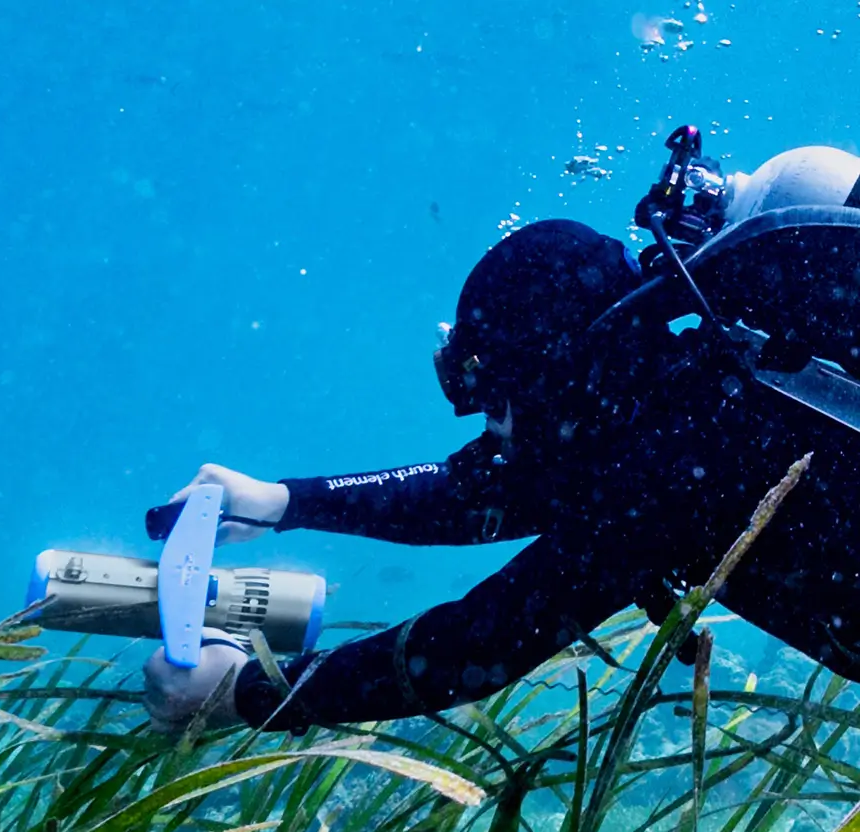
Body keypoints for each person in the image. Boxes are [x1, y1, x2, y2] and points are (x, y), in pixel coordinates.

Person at [143, 140, 860, 735]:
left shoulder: (673, 469)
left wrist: (245, 693)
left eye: (492, 398)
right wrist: (283, 500)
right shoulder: (694, 406)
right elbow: (486, 493)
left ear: (551, 383)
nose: (489, 427)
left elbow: (476, 643)